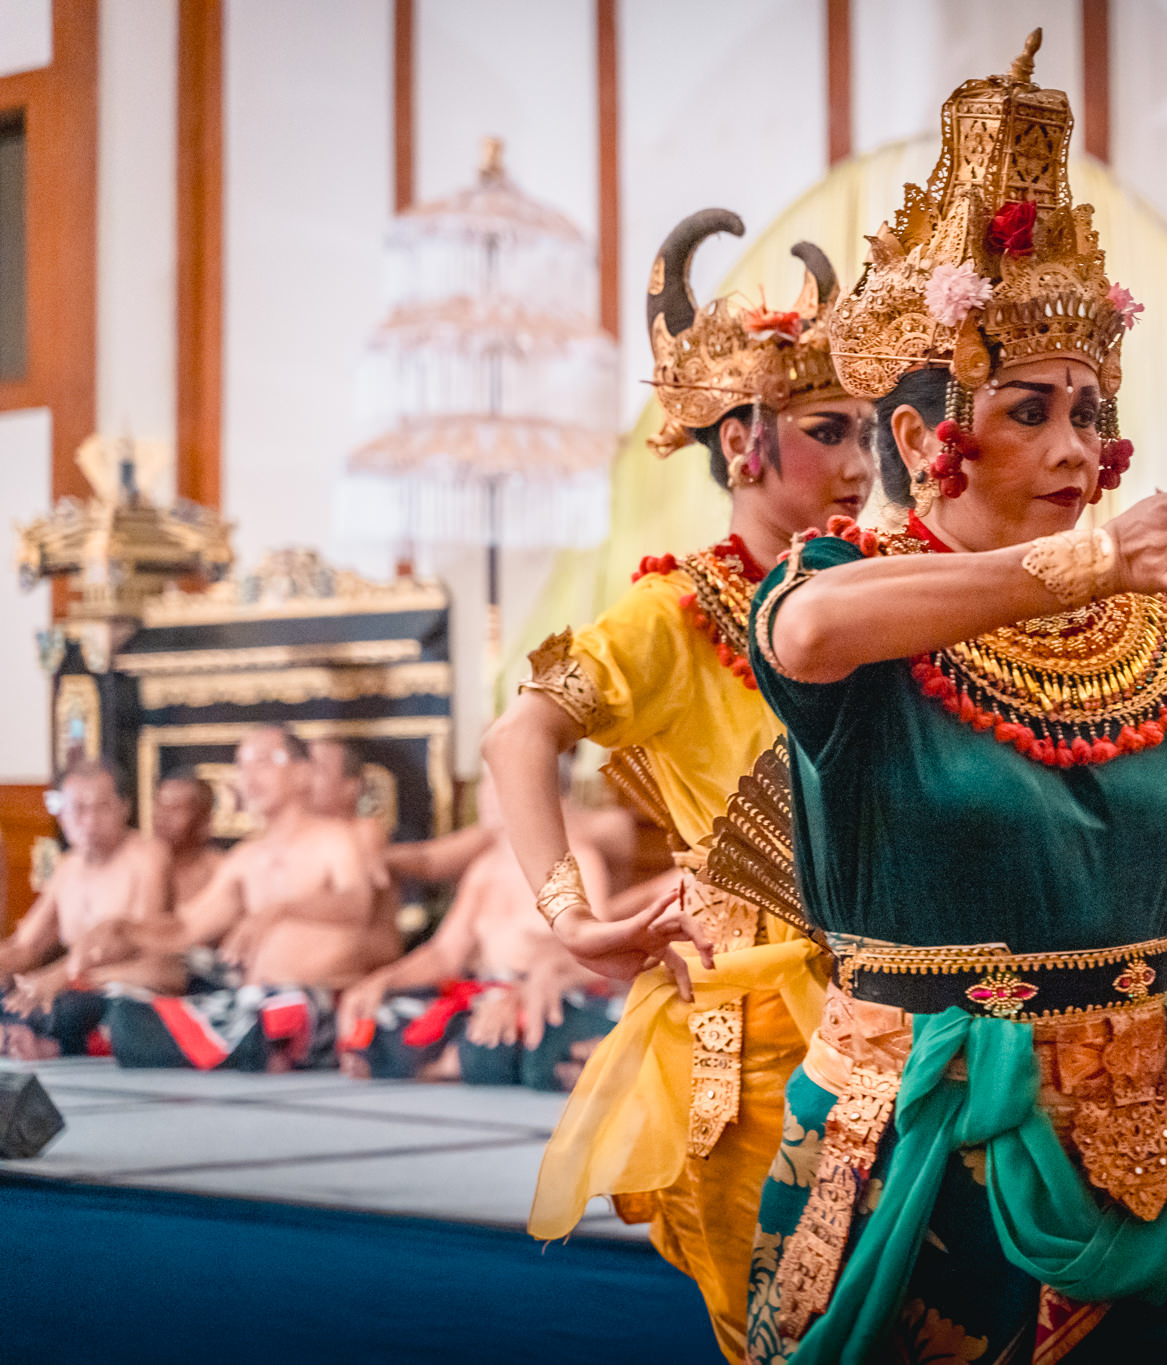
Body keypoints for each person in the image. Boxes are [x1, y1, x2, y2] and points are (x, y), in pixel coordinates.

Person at [736, 34, 1167, 1361]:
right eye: (1030, 410)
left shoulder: (1166, 629)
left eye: (1090, 411)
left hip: (1141, 1121)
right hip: (917, 1121)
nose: (1076, 447)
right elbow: (806, 633)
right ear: (926, 435)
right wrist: (1088, 561)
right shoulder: (847, 587)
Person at [481, 214, 873, 1362]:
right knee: (787, 1324)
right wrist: (572, 919)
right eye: (827, 433)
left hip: (894, 996)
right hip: (752, 1021)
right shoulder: (676, 613)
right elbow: (518, 735)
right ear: (744, 442)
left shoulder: (875, 591)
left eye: (864, 434)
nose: (860, 466)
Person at [99, 725, 392, 1071]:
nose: (250, 776)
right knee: (126, 1013)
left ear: (302, 773)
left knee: (287, 1012)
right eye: (242, 765)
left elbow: (355, 904)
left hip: (315, 996)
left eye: (264, 762)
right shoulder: (245, 858)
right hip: (248, 1001)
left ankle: (257, 1042)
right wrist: (123, 930)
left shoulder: (336, 838)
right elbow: (185, 929)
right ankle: (250, 1044)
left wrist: (277, 911)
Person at [337, 777, 618, 1092]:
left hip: (548, 995)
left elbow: (598, 955)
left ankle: (455, 1059)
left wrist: (524, 992)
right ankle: (452, 1058)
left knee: (498, 1047)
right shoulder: (483, 868)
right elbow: (444, 954)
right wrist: (382, 981)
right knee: (379, 1020)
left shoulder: (576, 860)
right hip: (485, 995)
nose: (487, 796)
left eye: (500, 782)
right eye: (485, 784)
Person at [0, 763, 179, 1058]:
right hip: (73, 988)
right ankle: (21, 1036)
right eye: (79, 809)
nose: (90, 821)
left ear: (124, 807)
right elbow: (25, 945)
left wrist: (60, 976)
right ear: (62, 815)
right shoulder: (67, 869)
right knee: (15, 999)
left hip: (125, 987)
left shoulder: (147, 857)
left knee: (67, 1010)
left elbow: (136, 941)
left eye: (102, 808)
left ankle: (35, 1040)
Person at [306, 738, 403, 968]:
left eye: (317, 770)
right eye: (303, 766)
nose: (303, 778)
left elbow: (357, 905)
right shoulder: (296, 837)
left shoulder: (365, 831)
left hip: (358, 962)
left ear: (351, 787)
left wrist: (283, 914)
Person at [154, 769, 225, 911]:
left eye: (175, 809)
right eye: (160, 807)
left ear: (204, 821)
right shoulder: (139, 865)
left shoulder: (221, 871)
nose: (163, 818)